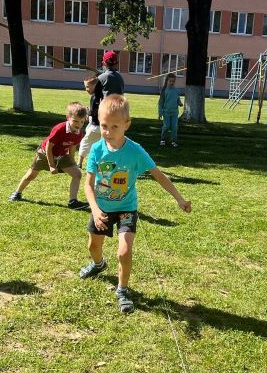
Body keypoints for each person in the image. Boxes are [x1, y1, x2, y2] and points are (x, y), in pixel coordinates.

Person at [79, 94, 192, 313]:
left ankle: (122, 289)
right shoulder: (97, 149)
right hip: (101, 209)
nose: (108, 132)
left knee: (124, 251)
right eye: (104, 126)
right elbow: (88, 185)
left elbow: (159, 175)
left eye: (114, 126)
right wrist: (95, 209)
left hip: (126, 209)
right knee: (93, 246)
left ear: (126, 125)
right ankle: (99, 264)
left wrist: (180, 199)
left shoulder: (135, 151)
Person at [9, 102, 89, 209]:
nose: (78, 124)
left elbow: (72, 147)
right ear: (68, 117)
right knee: (31, 175)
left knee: (77, 174)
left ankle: (73, 201)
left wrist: (72, 161)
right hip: (45, 154)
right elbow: (48, 147)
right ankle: (17, 193)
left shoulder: (79, 133)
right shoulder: (59, 129)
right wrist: (51, 165)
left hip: (61, 155)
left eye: (82, 122)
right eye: (75, 121)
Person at [78, 74, 103, 170]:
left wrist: (86, 111)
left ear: (94, 85)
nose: (86, 89)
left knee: (84, 142)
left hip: (95, 126)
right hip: (103, 126)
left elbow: (93, 112)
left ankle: (79, 163)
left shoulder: (94, 97)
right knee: (99, 145)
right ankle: (99, 164)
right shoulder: (103, 94)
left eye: (87, 86)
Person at [158, 73, 183, 147]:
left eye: (173, 81)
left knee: (174, 127)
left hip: (175, 112)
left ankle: (173, 140)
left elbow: (177, 98)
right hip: (166, 112)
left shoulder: (176, 90)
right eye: (170, 81)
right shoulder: (164, 91)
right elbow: (160, 103)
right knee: (166, 126)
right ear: (167, 81)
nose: (172, 83)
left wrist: (180, 103)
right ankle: (163, 139)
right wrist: (160, 112)